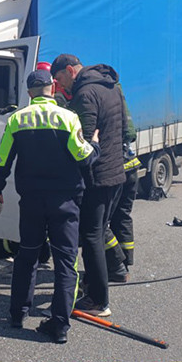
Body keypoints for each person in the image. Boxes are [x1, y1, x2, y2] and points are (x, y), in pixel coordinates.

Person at [0, 69, 100, 344]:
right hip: (65, 201)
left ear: (29, 93)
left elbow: (2, 160)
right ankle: (59, 325)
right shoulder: (68, 117)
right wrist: (95, 145)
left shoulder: (17, 119)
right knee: (65, 260)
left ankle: (17, 314)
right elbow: (83, 158)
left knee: (27, 255)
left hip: (32, 201)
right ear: (52, 87)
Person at [50, 54, 126, 318]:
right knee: (99, 231)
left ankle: (98, 300)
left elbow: (84, 143)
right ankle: (98, 285)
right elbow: (123, 128)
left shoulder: (84, 93)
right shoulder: (111, 86)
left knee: (91, 236)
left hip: (97, 176)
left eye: (59, 79)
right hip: (116, 172)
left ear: (70, 71)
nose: (59, 86)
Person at [109, 84, 141, 276]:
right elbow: (130, 135)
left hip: (117, 169)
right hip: (131, 165)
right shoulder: (119, 98)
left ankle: (117, 264)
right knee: (123, 216)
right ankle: (127, 260)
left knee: (102, 223)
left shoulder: (97, 100)